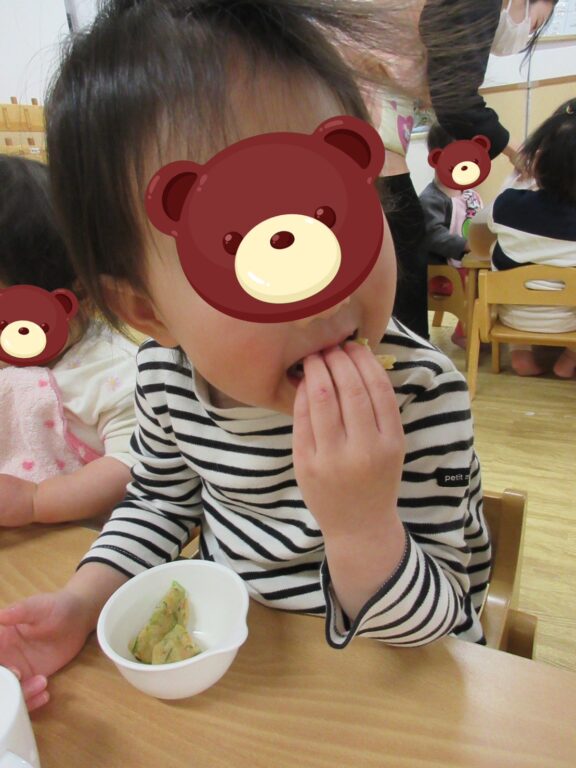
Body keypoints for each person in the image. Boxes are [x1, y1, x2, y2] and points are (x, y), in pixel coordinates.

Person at [0, 0, 490, 713]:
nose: (320, 287)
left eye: (331, 212)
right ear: (149, 312)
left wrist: (361, 526)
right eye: (240, 249)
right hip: (244, 675)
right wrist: (81, 601)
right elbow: (159, 502)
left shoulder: (421, 393)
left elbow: (442, 622)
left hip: (395, 689)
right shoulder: (166, 382)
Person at [360, 0, 558, 340]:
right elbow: (458, 104)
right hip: (362, 116)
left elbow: (445, 94)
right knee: (402, 240)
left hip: (357, 111)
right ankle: (408, 354)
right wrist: (515, 152)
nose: (528, 32)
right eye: (537, 21)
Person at [0, 155, 138, 528]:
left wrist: (36, 501)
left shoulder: (115, 371)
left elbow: (131, 463)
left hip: (85, 539)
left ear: (81, 295)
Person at [468, 98, 576, 378]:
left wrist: (517, 180)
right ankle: (569, 358)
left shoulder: (506, 204)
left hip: (513, 317)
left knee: (501, 259)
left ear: (536, 161)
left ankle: (520, 353)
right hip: (570, 321)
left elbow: (478, 240)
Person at [420, 123, 483, 347]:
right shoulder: (431, 199)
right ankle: (464, 332)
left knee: (491, 275)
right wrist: (465, 245)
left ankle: (483, 327)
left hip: (468, 263)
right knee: (477, 283)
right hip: (443, 272)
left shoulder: (468, 194)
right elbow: (433, 235)